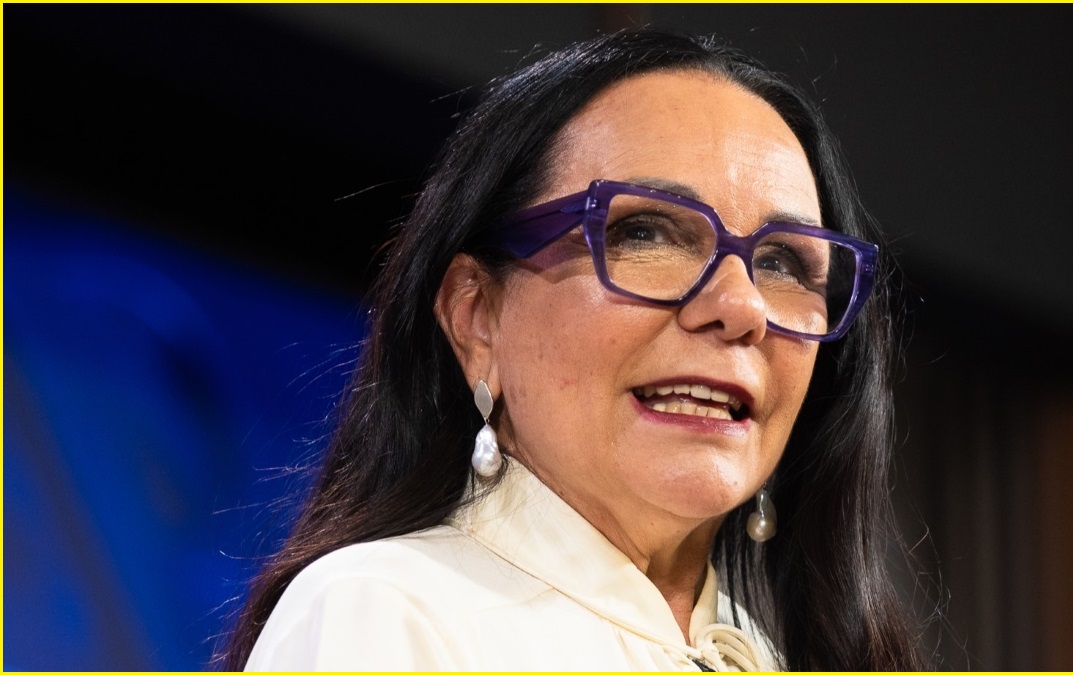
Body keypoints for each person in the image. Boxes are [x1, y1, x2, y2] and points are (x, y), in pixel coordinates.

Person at [219, 29, 926, 671]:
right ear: (478, 318)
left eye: (782, 263)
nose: (741, 307)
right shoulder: (386, 613)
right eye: (645, 233)